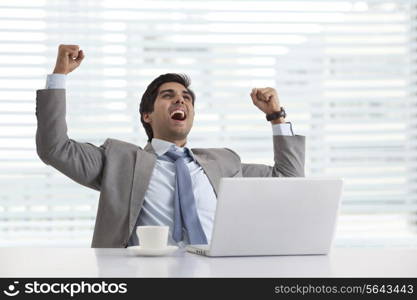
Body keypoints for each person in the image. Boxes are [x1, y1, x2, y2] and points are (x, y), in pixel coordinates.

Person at [36, 45, 305, 248]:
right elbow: (54, 147)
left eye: (186, 98)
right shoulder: (119, 160)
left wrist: (275, 116)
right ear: (147, 115)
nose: (180, 101)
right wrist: (59, 75)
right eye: (168, 96)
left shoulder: (223, 163)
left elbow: (288, 179)